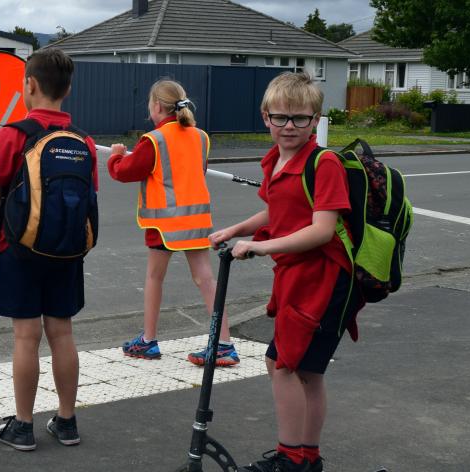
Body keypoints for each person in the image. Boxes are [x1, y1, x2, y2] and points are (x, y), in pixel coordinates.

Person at [209, 72, 364, 472]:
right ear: (265, 117)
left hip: (325, 280)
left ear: (316, 120)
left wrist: (260, 245)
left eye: (300, 118)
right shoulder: (276, 158)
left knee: (283, 365)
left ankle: (292, 458)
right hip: (297, 276)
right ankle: (305, 458)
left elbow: (322, 229)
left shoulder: (324, 162)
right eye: (281, 117)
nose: (289, 126)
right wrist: (237, 229)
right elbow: (277, 210)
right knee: (307, 371)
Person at [0, 48, 98, 452]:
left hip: (19, 250)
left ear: (30, 84)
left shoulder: (13, 134)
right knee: (62, 333)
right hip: (66, 252)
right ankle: (66, 421)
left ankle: (23, 426)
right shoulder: (84, 141)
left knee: (26, 337)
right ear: (69, 89)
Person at [107, 80, 238, 366]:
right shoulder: (201, 137)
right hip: (196, 220)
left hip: (164, 223)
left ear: (156, 106)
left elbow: (126, 172)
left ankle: (148, 340)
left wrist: (116, 156)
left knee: (155, 278)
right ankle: (225, 343)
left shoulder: (153, 140)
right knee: (206, 279)